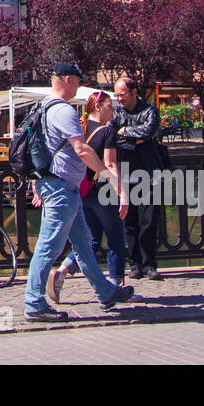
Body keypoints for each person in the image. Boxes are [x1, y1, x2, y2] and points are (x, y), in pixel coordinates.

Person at [23, 61, 134, 322]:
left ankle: (105, 291)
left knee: (83, 243)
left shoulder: (43, 106)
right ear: (69, 80)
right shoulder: (63, 110)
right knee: (48, 246)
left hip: (58, 185)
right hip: (61, 187)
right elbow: (82, 149)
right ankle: (34, 303)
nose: (79, 88)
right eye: (78, 81)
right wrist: (111, 179)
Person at [47, 89, 130, 303]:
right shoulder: (107, 132)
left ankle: (61, 272)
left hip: (82, 191)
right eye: (110, 106)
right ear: (99, 107)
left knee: (90, 240)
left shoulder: (81, 129)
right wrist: (121, 192)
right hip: (103, 190)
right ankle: (115, 288)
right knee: (116, 239)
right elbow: (110, 164)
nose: (113, 110)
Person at [112, 76, 165, 281]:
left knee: (149, 221)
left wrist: (126, 131)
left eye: (122, 94)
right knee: (130, 222)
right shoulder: (117, 114)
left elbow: (150, 131)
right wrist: (136, 138)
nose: (119, 99)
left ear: (134, 92)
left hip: (150, 174)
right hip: (125, 175)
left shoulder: (149, 111)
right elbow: (113, 136)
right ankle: (134, 265)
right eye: (117, 95)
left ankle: (149, 265)